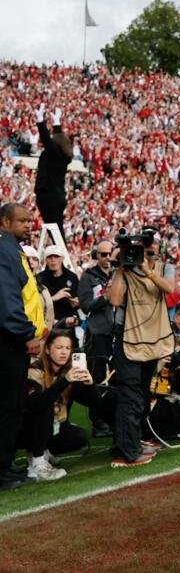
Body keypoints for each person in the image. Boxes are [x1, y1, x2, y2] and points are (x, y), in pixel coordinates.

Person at [105, 236, 175, 467]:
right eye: (143, 251)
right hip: (128, 341)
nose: (146, 256)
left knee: (142, 396)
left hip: (153, 341)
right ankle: (128, 452)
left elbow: (170, 289)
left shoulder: (165, 269)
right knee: (130, 396)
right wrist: (120, 268)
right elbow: (114, 299)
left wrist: (147, 270)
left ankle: (130, 441)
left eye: (151, 252)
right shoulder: (125, 270)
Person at [0, 203, 47, 489]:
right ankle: (1, 469)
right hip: (9, 342)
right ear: (5, 222)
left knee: (12, 405)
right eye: (22, 221)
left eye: (29, 220)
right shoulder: (4, 250)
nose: (28, 225)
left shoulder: (11, 249)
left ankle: (5, 462)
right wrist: (26, 334)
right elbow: (7, 300)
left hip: (11, 341)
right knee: (8, 406)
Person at [20, 329, 98, 481]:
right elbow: (37, 405)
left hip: (52, 428)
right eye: (59, 347)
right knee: (46, 404)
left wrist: (90, 385)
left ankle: (44, 451)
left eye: (68, 348)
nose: (64, 352)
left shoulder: (69, 372)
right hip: (25, 430)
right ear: (48, 349)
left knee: (79, 437)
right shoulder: (34, 371)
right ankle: (37, 461)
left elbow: (94, 404)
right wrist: (64, 381)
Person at [77, 238, 117, 437]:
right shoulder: (88, 277)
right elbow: (85, 306)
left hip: (119, 332)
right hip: (98, 333)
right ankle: (98, 422)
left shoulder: (120, 274)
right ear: (96, 256)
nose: (107, 257)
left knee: (119, 376)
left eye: (111, 253)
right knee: (97, 377)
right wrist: (105, 298)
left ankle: (115, 417)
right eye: (103, 254)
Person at [33, 105, 72, 230]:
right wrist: (56, 122)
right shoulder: (63, 156)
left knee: (54, 230)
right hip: (57, 196)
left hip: (49, 196)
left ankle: (60, 245)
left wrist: (40, 121)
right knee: (57, 229)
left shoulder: (54, 154)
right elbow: (59, 138)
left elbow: (46, 139)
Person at [38, 245, 80, 334]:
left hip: (68, 325)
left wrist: (76, 302)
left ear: (62, 258)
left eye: (56, 256)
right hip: (47, 325)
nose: (53, 260)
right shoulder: (39, 278)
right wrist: (54, 298)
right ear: (46, 260)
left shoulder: (71, 276)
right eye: (50, 257)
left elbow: (79, 299)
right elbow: (36, 304)